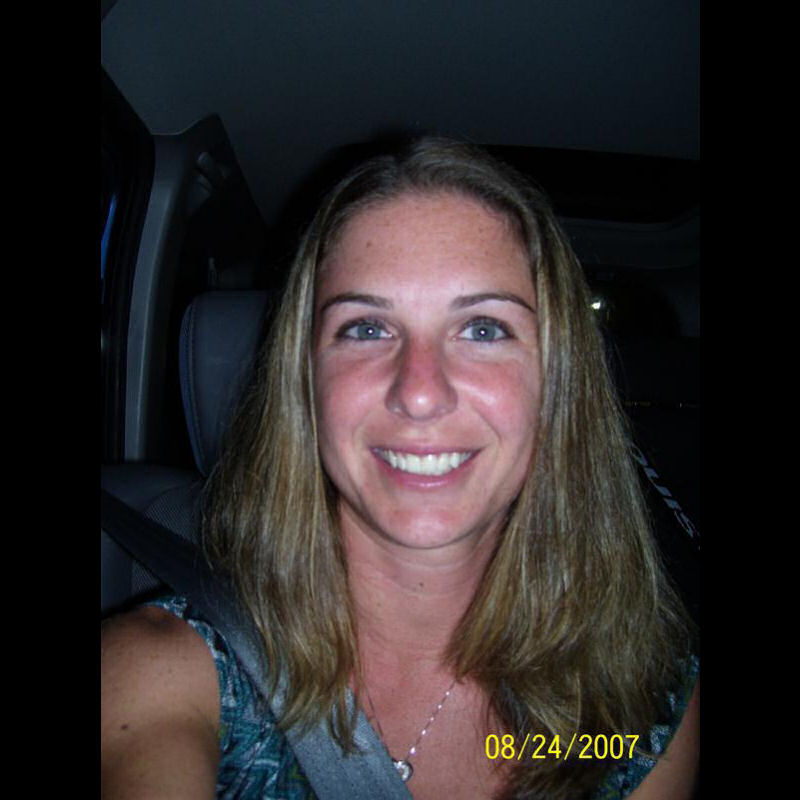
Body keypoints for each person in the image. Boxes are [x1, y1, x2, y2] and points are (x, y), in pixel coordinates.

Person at [101, 137, 699, 799]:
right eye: (366, 328)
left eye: (483, 329)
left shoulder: (639, 713)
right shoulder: (155, 673)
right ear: (306, 379)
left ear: (557, 382)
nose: (418, 392)